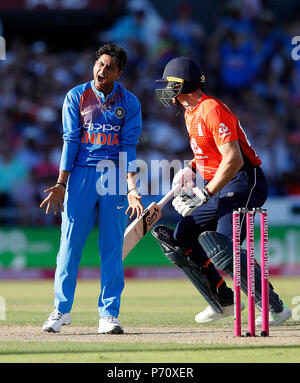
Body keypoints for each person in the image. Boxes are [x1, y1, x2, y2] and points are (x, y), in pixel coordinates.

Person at [153, 56, 291, 325]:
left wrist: (205, 192)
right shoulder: (190, 112)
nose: (166, 90)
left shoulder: (211, 109)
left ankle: (276, 308)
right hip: (218, 184)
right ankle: (222, 301)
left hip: (243, 182)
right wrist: (190, 169)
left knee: (223, 247)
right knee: (181, 239)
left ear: (183, 85)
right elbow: (208, 153)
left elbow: (234, 159)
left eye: (170, 84)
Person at [40, 43, 144, 334]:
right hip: (82, 177)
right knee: (69, 246)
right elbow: (70, 140)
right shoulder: (76, 96)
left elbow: (128, 147)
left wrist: (132, 188)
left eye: (110, 67)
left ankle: (108, 314)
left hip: (113, 178)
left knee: (111, 248)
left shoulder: (130, 103)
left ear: (119, 73)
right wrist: (62, 183)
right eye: (100, 64)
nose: (102, 70)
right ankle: (61, 311)